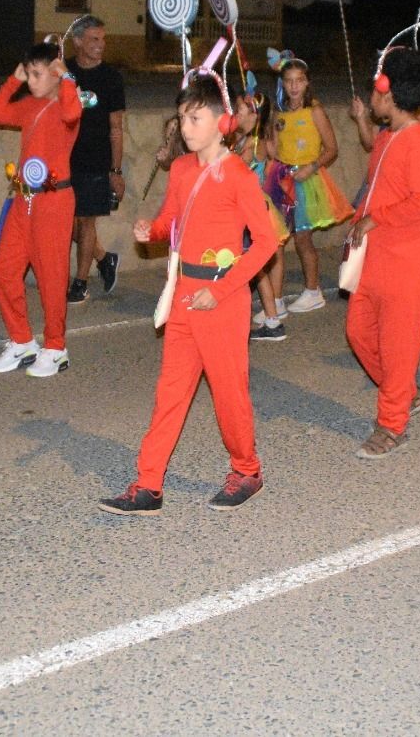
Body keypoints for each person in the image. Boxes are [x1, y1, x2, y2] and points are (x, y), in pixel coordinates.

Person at [99, 73, 279, 514]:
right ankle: (148, 484)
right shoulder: (180, 169)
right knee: (170, 393)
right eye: (182, 118)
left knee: (228, 394)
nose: (185, 126)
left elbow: (266, 243)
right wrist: (151, 230)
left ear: (222, 123)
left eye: (195, 118)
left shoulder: (237, 175)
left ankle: (247, 470)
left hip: (223, 298)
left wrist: (222, 290)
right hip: (184, 294)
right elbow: (171, 223)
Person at [345, 48, 420, 457]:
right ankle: (405, 394)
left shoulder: (417, 139)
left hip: (405, 261)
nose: (371, 93)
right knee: (358, 332)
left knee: (399, 347)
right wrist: (360, 224)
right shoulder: (386, 136)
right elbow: (378, 192)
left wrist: (375, 218)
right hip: (374, 256)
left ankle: (392, 424)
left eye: (376, 87)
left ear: (389, 93)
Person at [0, 39, 82, 377]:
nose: (31, 81)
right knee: (4, 270)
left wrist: (66, 76)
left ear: (55, 73)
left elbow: (71, 113)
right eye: (28, 74)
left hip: (54, 201)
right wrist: (14, 79)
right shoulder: (29, 104)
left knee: (51, 276)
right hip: (23, 200)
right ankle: (22, 341)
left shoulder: (70, 102)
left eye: (37, 74)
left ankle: (56, 347)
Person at [266, 55, 352, 313]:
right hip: (281, 180)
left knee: (303, 239)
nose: (294, 86)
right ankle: (276, 299)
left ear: (307, 83)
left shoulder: (315, 110)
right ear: (282, 83)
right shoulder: (278, 113)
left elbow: (332, 149)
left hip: (306, 180)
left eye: (299, 81)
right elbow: (274, 147)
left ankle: (313, 291)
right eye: (289, 81)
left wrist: (311, 167)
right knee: (277, 239)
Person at [65, 18, 126, 303]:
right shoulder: (63, 71)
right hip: (63, 159)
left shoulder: (111, 78)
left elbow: (116, 128)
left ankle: (80, 281)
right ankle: (104, 258)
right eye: (93, 40)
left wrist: (115, 170)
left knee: (86, 222)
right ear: (77, 41)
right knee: (67, 224)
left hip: (95, 160)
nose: (100, 46)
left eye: (102, 39)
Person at [232, 92, 291, 341]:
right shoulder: (244, 140)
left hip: (251, 210)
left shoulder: (253, 144)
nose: (234, 114)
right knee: (254, 267)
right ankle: (271, 318)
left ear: (254, 115)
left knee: (254, 266)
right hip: (246, 208)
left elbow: (236, 169)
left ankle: (271, 319)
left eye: (239, 110)